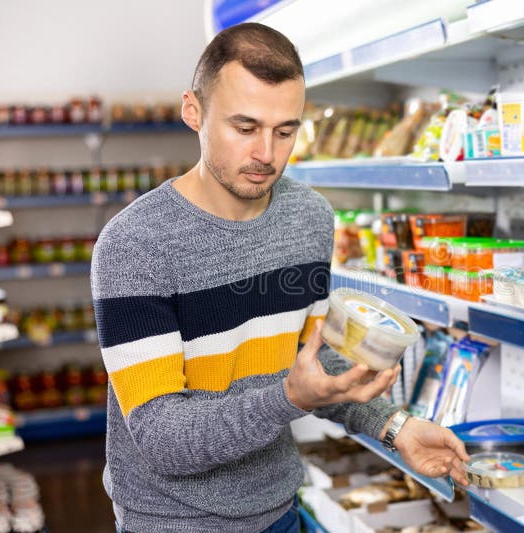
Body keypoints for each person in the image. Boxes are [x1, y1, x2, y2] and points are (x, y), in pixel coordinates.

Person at [91, 22, 469, 533]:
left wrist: (393, 425)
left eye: (285, 130)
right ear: (193, 111)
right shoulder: (135, 245)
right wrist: (290, 398)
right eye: (244, 128)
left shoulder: (308, 217)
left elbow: (315, 354)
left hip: (280, 509)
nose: (267, 154)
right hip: (172, 522)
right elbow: (163, 440)